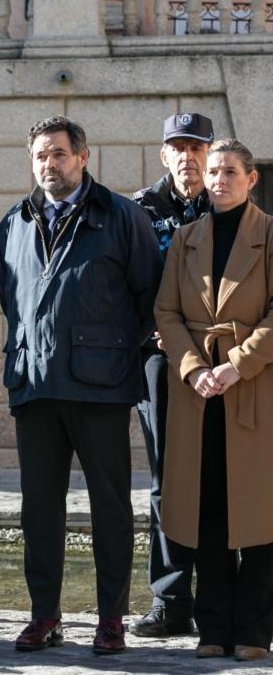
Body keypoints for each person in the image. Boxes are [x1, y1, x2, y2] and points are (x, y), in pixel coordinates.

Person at [0, 116, 162, 656]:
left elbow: (149, 296)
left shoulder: (121, 215)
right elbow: (13, 301)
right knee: (39, 509)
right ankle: (44, 615)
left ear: (82, 157)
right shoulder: (14, 222)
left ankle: (111, 617)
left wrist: (111, 354)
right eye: (41, 156)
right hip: (35, 388)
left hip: (100, 388)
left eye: (60, 154)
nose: (50, 164)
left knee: (109, 507)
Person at [155, 138, 273, 662]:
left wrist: (237, 364)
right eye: (214, 172)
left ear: (251, 179)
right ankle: (213, 627)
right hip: (198, 395)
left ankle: (254, 629)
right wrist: (194, 368)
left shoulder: (270, 235)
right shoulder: (186, 238)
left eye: (230, 172)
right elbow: (166, 313)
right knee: (209, 512)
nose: (219, 180)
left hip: (256, 388)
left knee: (260, 514)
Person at [129, 112, 214, 637]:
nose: (188, 157)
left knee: (221, 476)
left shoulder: (229, 203)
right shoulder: (139, 210)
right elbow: (125, 282)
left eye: (196, 148)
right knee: (167, 479)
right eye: (178, 148)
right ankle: (172, 599)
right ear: (164, 155)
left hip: (220, 360)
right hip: (160, 360)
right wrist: (155, 332)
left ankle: (222, 599)